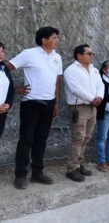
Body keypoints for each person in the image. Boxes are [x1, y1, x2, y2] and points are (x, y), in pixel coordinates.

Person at [7, 26, 62, 189]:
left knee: (41, 140)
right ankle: (20, 175)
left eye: (57, 37)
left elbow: (57, 80)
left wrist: (57, 102)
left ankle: (37, 173)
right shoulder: (29, 54)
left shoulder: (56, 57)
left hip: (49, 103)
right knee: (26, 139)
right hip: (31, 103)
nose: (57, 40)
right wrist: (15, 88)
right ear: (44, 40)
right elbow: (6, 68)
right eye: (54, 37)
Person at [63, 44, 104, 182]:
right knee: (78, 137)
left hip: (93, 107)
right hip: (79, 107)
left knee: (87, 137)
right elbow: (75, 89)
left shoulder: (94, 70)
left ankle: (79, 163)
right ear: (79, 55)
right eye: (89, 53)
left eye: (93, 53)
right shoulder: (71, 70)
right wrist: (93, 98)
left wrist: (99, 97)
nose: (92, 55)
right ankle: (72, 168)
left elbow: (100, 85)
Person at [0, 41, 16, 140]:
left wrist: (8, 104)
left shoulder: (4, 68)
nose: (1, 54)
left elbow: (11, 89)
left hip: (2, 112)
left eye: (2, 51)